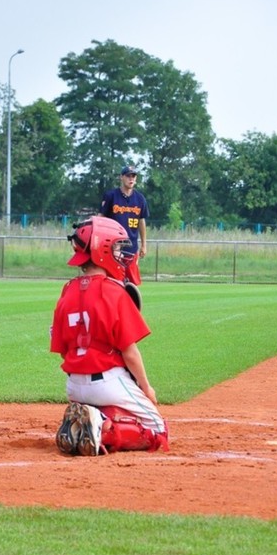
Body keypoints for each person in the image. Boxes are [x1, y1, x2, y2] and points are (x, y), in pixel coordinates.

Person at [50, 216, 168, 456]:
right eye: (115, 247)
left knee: (108, 402)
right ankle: (102, 429)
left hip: (74, 385)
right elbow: (129, 351)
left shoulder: (67, 290)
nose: (119, 253)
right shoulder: (114, 291)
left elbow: (62, 347)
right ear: (100, 248)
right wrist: (146, 387)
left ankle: (89, 419)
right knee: (158, 432)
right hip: (107, 381)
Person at [100, 165, 149, 285]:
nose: (131, 179)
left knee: (132, 283)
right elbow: (101, 218)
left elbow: (141, 221)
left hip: (131, 247)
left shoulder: (140, 199)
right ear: (121, 177)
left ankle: (131, 303)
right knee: (114, 281)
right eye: (128, 176)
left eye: (133, 176)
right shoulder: (111, 196)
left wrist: (144, 245)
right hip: (113, 247)